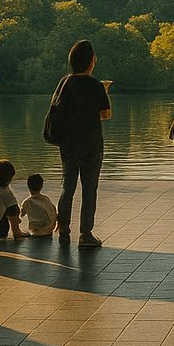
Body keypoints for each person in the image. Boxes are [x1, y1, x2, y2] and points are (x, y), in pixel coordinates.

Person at [50, 39, 112, 249]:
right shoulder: (95, 85)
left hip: (67, 143)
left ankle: (64, 226)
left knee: (68, 185)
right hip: (91, 144)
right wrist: (104, 91)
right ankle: (86, 233)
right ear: (90, 62)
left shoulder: (64, 82)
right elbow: (105, 114)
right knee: (89, 188)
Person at [21, 173, 58, 238]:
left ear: (28, 186)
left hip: (36, 233)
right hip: (49, 231)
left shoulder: (27, 202)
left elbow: (21, 215)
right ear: (41, 186)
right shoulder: (46, 199)